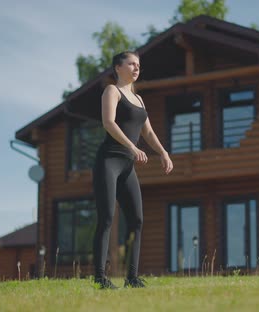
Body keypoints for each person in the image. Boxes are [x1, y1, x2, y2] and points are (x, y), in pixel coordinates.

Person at [92, 51, 173, 289]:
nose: (137, 68)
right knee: (107, 218)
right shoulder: (112, 91)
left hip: (128, 166)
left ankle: (132, 277)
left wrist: (163, 152)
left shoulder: (139, 100)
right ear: (118, 67)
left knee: (137, 220)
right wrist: (131, 146)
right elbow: (109, 122)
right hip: (108, 161)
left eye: (138, 64)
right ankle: (100, 277)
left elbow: (147, 132)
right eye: (131, 64)